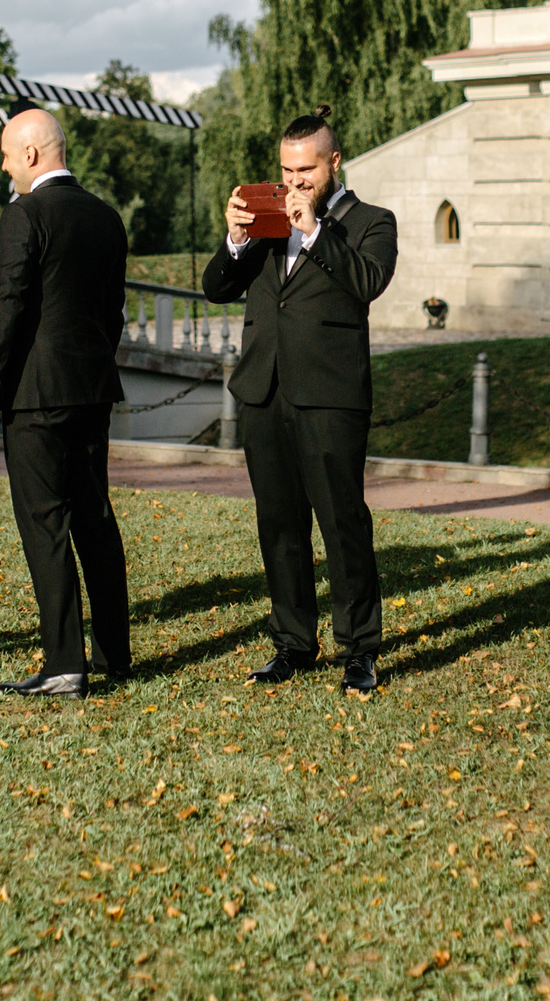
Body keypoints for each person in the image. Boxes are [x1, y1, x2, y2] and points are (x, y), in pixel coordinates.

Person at [202, 105, 399, 695]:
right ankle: (292, 643)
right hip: (264, 391)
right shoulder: (265, 221)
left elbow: (366, 282)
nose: (294, 183)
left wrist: (311, 229)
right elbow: (216, 288)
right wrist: (238, 239)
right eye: (287, 172)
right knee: (279, 525)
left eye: (306, 171)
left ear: (333, 162)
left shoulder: (372, 221)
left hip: (330, 396)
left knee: (343, 525)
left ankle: (359, 650)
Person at [0, 107, 133, 702]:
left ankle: (64, 664)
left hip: (36, 394)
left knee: (46, 523)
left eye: (7, 155)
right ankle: (113, 652)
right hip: (93, 387)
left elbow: (5, 309)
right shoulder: (107, 218)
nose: (4, 167)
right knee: (95, 518)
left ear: (32, 154)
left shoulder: (24, 214)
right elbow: (113, 315)